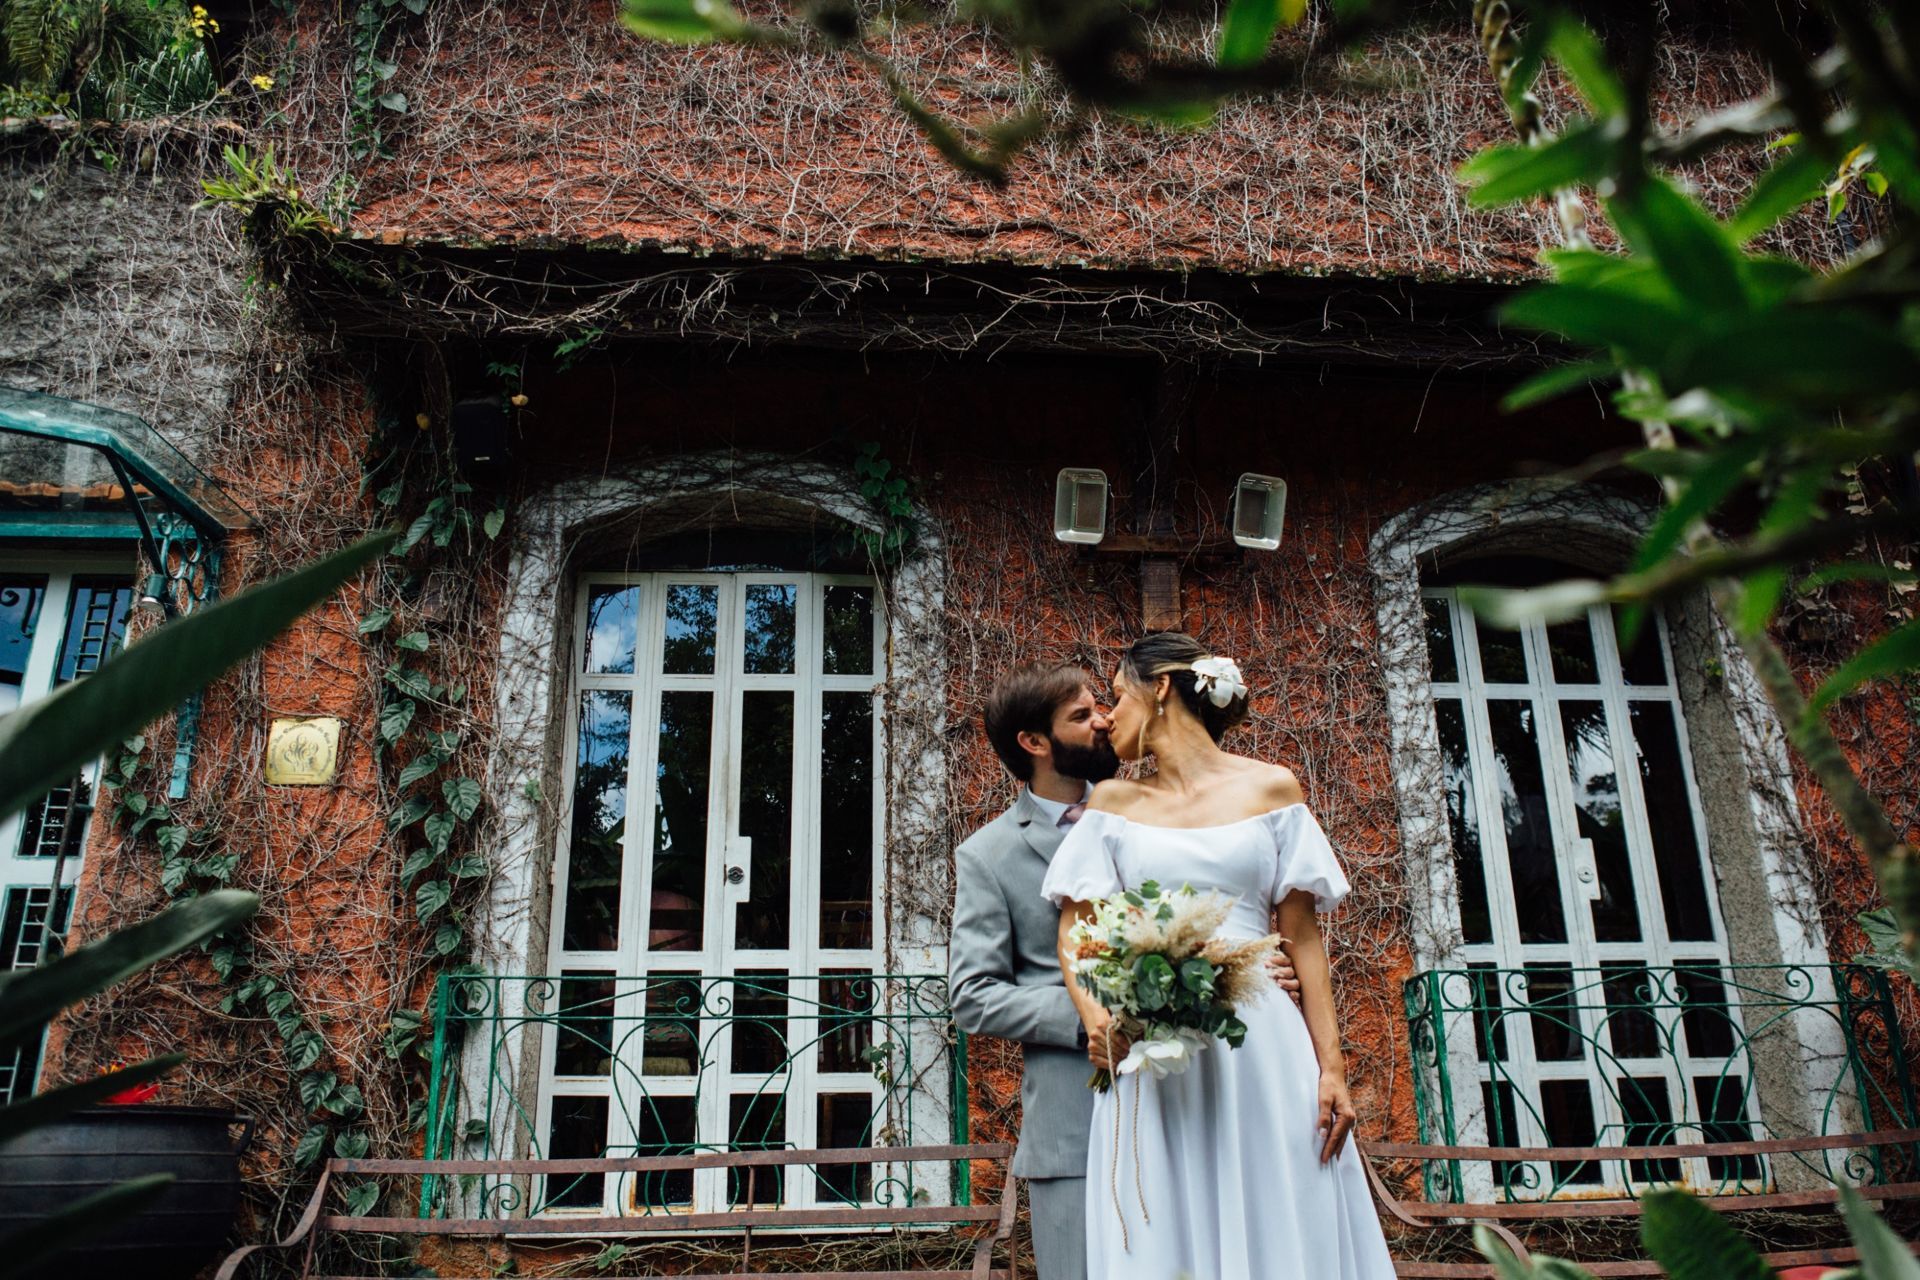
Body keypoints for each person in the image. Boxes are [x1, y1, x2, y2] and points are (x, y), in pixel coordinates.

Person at [1040, 633, 1396, 1280]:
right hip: (1152, 1054)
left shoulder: (1273, 791)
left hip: (1264, 1050)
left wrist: (1333, 1069)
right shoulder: (1114, 805)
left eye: (1117, 696)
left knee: (1280, 1219)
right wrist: (1099, 1021)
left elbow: (1303, 941)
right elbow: (1078, 931)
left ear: (1162, 689)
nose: (1107, 717)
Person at [949, 662, 1299, 1280]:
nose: (1105, 719)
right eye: (1082, 717)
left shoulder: (1150, 816)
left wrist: (1237, 975)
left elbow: (1211, 919)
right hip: (1075, 1124)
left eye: (1101, 706)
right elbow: (973, 997)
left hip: (1192, 1101)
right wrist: (1115, 1011)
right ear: (1034, 742)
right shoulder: (989, 855)